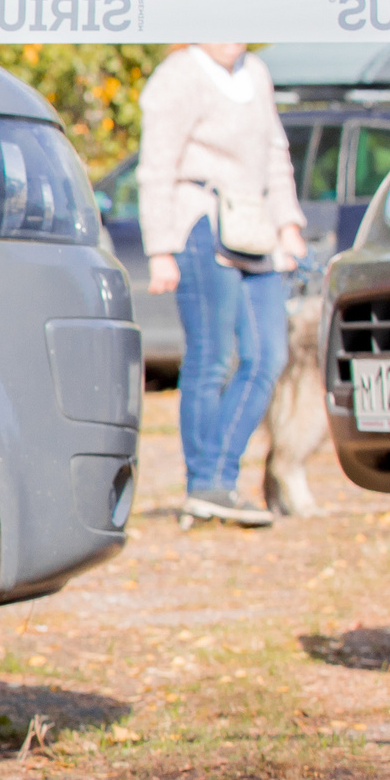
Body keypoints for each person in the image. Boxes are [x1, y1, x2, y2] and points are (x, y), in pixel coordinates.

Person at [138, 41, 305, 526]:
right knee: (211, 358)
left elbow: (276, 154)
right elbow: (157, 164)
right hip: (200, 220)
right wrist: (160, 249)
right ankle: (205, 484)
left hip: (256, 225)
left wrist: (289, 224)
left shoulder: (257, 72)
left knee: (267, 355)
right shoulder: (179, 74)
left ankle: (221, 478)